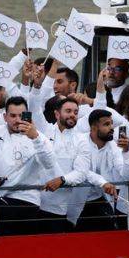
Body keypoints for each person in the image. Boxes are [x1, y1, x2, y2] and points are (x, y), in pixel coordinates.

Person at [0, 96, 60, 235]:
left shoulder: (38, 136)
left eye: (21, 115)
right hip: (0, 197)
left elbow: (50, 163)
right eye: (13, 115)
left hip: (26, 199)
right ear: (5, 117)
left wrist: (35, 138)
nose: (17, 120)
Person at [71, 108, 129, 230]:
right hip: (76, 199)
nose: (112, 127)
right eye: (106, 124)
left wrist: (127, 152)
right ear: (93, 127)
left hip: (100, 199)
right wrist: (102, 182)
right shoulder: (78, 140)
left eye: (111, 123)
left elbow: (124, 171)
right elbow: (82, 170)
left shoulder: (112, 145)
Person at [40, 98, 92, 229]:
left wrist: (62, 180)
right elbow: (34, 105)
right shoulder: (45, 131)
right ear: (57, 114)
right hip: (34, 201)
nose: (72, 115)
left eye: (75, 112)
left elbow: (81, 172)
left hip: (58, 207)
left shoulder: (81, 140)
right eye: (68, 111)